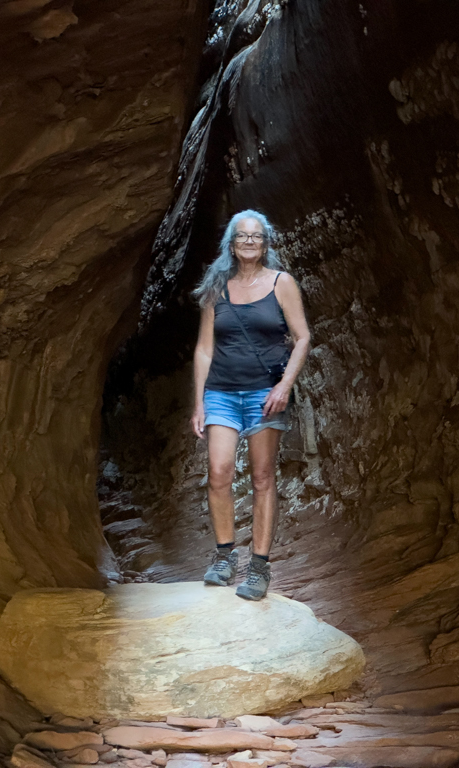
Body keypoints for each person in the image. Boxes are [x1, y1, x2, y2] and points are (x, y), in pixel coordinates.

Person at [191, 209, 310, 600]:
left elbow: (303, 337)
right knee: (219, 472)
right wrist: (199, 403)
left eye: (255, 237)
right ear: (231, 242)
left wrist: (285, 385)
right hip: (221, 392)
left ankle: (259, 566)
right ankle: (225, 557)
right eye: (241, 236)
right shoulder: (216, 288)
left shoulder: (282, 283)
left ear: (266, 243)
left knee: (262, 478)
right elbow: (205, 349)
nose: (248, 242)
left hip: (264, 394)